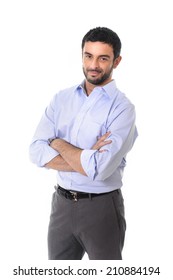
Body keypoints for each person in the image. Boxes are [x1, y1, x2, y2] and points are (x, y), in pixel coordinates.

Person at [29, 27, 138, 260]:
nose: (93, 65)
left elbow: (101, 169)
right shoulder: (61, 99)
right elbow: (36, 151)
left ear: (116, 61)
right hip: (61, 205)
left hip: (101, 209)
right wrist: (86, 157)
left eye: (103, 58)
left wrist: (57, 143)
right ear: (81, 55)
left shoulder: (122, 109)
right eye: (88, 56)